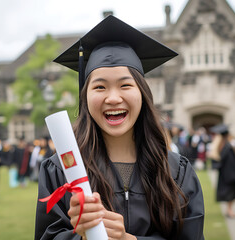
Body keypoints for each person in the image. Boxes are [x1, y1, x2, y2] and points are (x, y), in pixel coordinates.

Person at [35, 15, 204, 240]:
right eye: (100, 87)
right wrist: (84, 237)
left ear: (142, 94)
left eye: (125, 85)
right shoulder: (61, 171)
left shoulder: (176, 172)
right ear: (85, 97)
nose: (113, 98)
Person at [209, 124, 235, 218]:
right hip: (229, 174)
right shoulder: (228, 146)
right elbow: (232, 161)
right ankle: (229, 210)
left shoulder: (220, 145)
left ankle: (229, 210)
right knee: (230, 193)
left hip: (225, 173)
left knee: (229, 193)